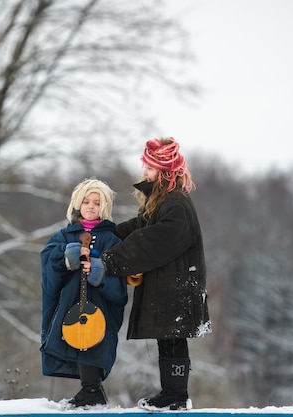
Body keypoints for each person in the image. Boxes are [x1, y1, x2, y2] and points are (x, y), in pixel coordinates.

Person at [98, 137, 211, 410]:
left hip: (176, 285)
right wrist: (108, 233)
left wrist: (112, 258)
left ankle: (175, 396)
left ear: (164, 171)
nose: (144, 173)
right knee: (168, 337)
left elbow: (154, 240)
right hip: (169, 284)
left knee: (172, 337)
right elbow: (141, 226)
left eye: (149, 168)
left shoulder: (176, 204)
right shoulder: (163, 202)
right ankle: (172, 394)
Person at [40, 178, 128, 409]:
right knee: (75, 336)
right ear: (77, 204)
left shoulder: (112, 239)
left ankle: (92, 390)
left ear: (105, 207)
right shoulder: (64, 235)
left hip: (100, 305)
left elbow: (120, 281)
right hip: (69, 303)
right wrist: (68, 254)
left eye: (97, 203)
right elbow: (48, 259)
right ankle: (91, 390)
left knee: (94, 339)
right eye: (86, 201)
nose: (91, 206)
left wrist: (99, 270)